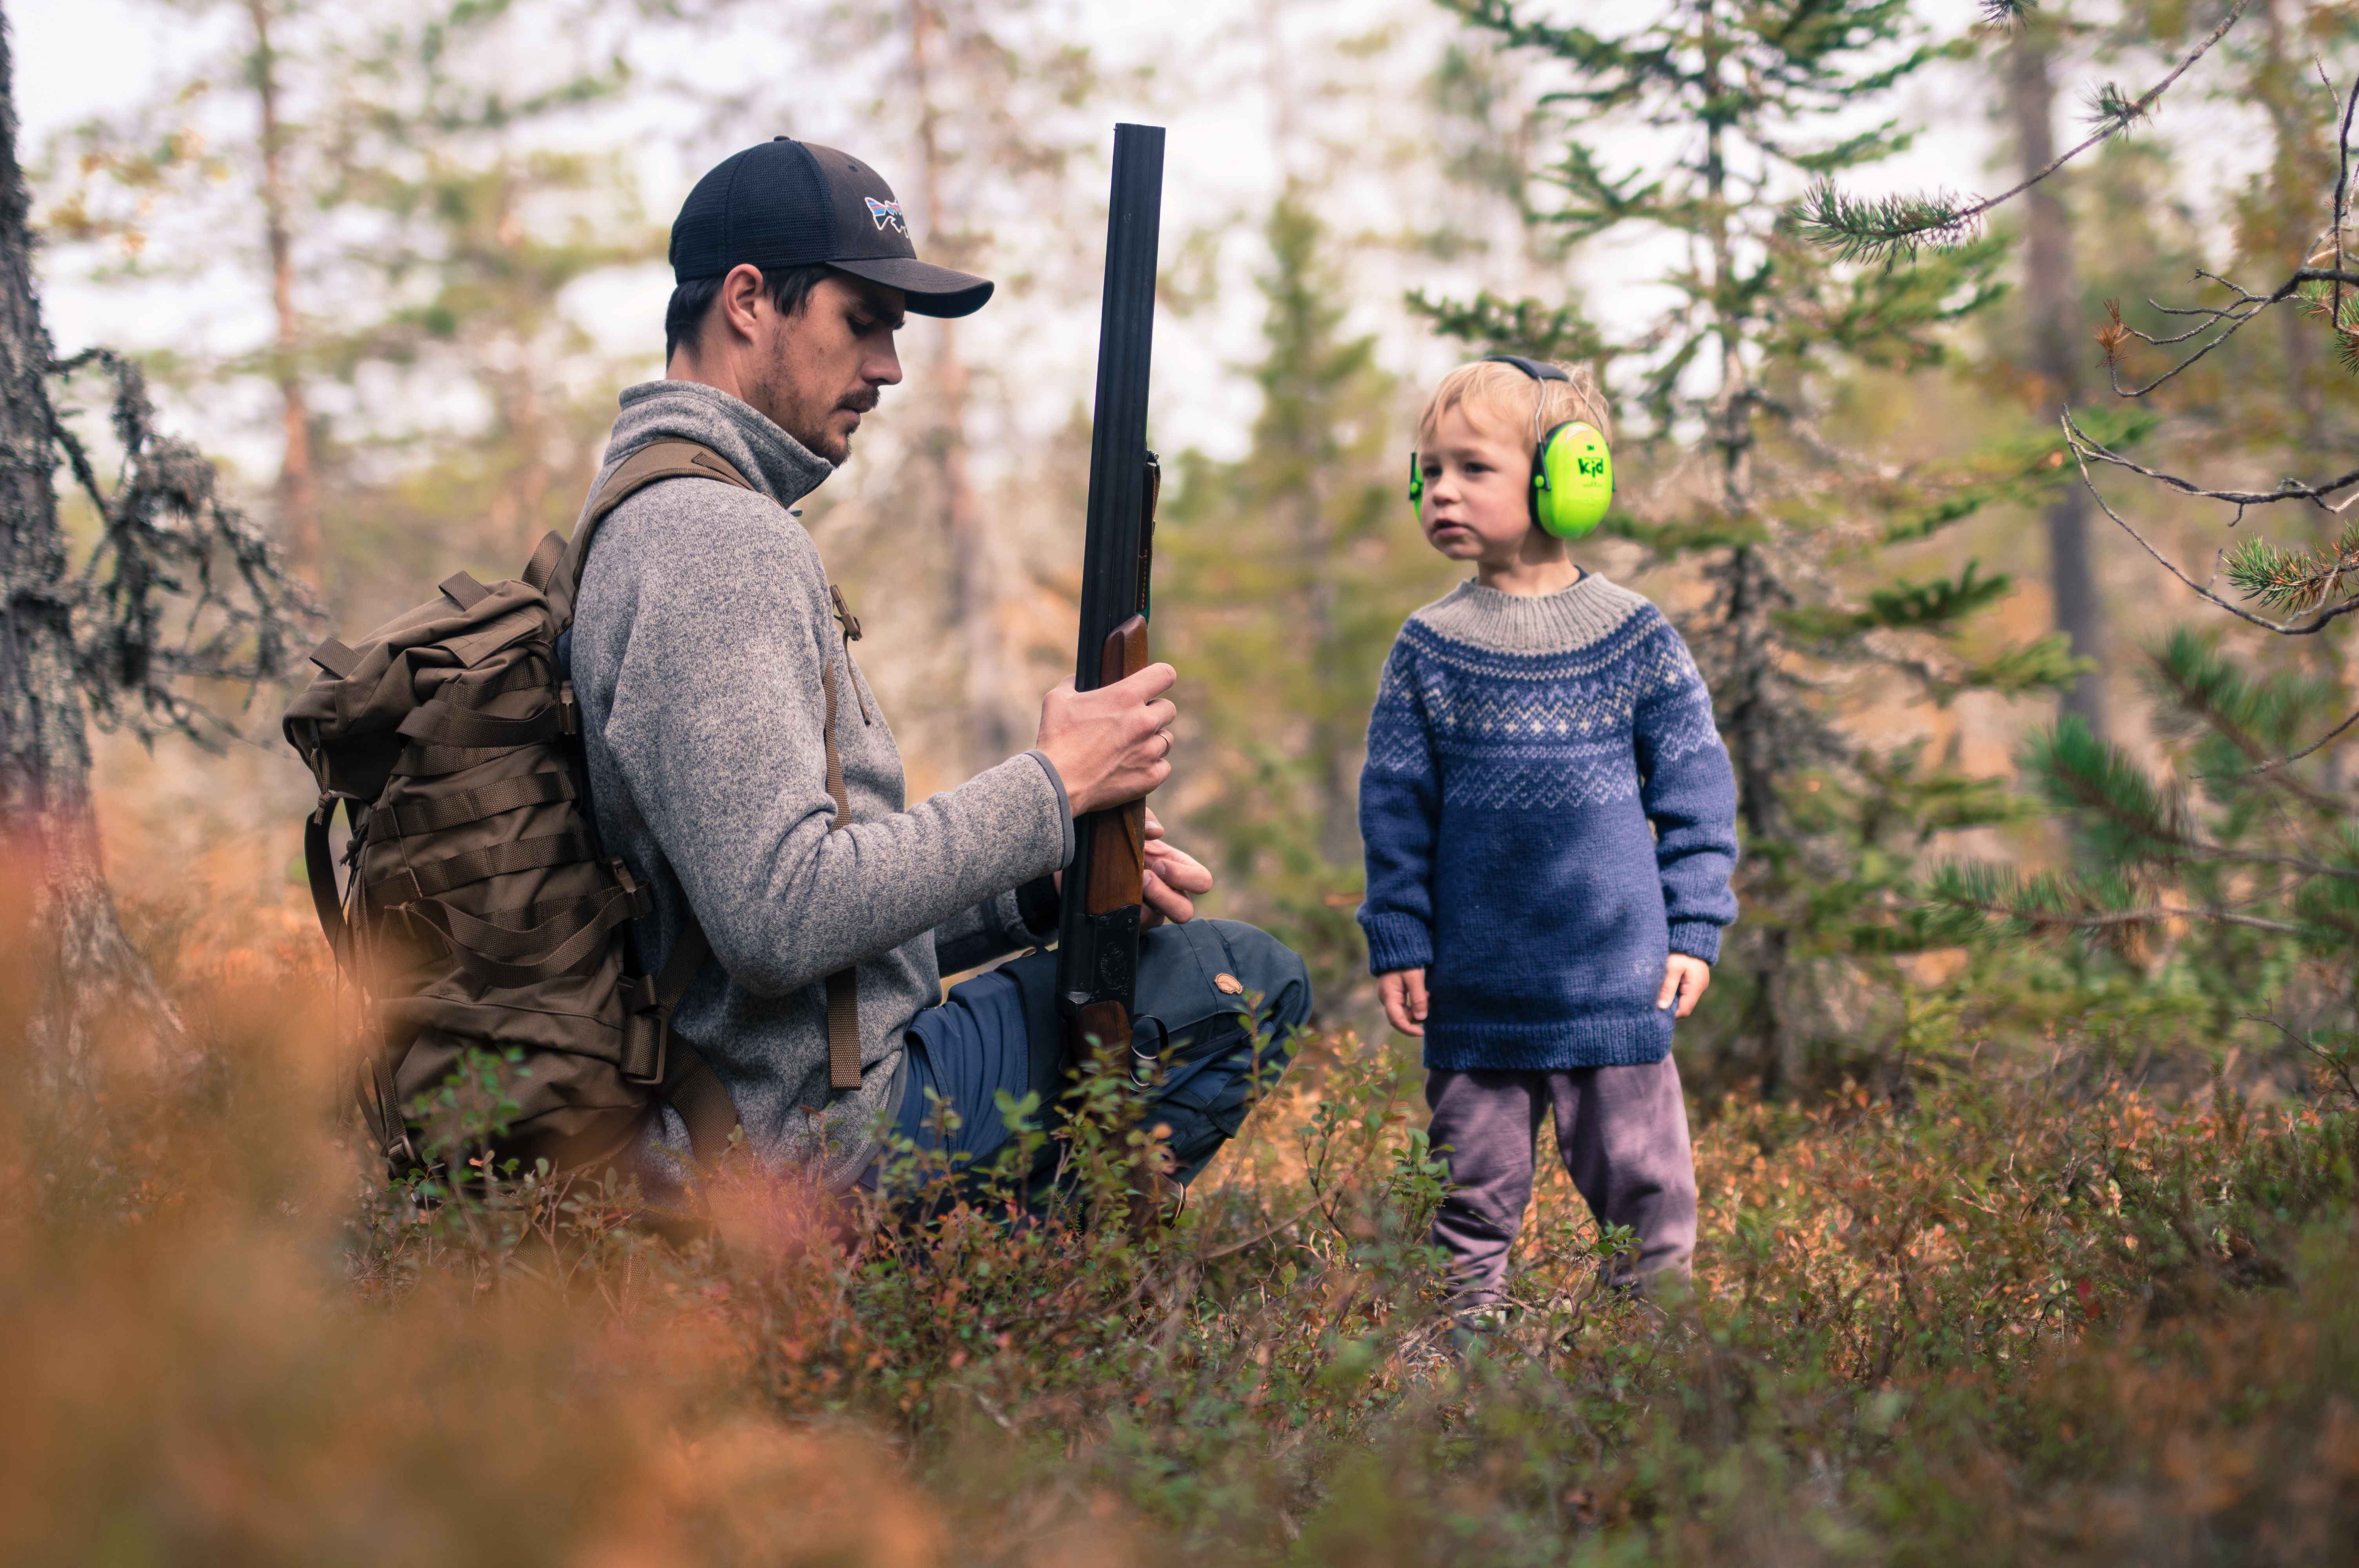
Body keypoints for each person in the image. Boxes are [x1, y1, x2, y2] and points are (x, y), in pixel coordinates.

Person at [567, 137, 1310, 1203]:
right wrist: (1052, 788)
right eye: (860, 321)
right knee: (1245, 983)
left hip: (759, 1112)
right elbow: (780, 918)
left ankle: (983, 1325)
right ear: (746, 300)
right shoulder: (713, 541)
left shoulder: (663, 515)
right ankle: (1000, 1325)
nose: (889, 366)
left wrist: (1035, 891)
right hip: (811, 1143)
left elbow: (765, 911)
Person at [1357, 358, 1738, 1312]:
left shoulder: (1635, 637)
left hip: (1615, 985)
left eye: (1471, 468)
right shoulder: (1425, 647)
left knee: (1647, 1205)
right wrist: (1398, 936)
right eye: (1428, 470)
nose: (1440, 489)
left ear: (1566, 477)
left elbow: (1696, 789)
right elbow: (1394, 809)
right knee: (1465, 1211)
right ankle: (1465, 1390)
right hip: (1475, 995)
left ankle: (1645, 1379)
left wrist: (1695, 924)